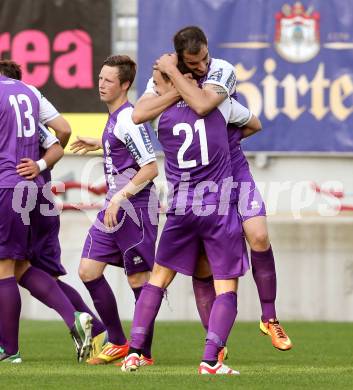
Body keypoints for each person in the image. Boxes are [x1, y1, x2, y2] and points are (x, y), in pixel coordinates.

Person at [132, 26, 292, 351]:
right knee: (203, 265)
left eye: (204, 57)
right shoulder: (164, 77)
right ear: (181, 59)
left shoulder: (221, 70)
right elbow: (139, 113)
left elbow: (209, 107)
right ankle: (216, 344)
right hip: (199, 188)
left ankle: (269, 318)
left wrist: (224, 141)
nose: (202, 66)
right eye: (194, 62)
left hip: (234, 172)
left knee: (259, 235)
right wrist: (178, 81)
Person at [122, 68, 253, 375]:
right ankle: (210, 360)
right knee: (225, 286)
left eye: (157, 82)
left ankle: (134, 352)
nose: (153, 87)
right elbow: (254, 124)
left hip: (181, 208)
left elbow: (138, 112)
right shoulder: (219, 103)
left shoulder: (158, 112)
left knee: (158, 279)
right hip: (217, 208)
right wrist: (225, 140)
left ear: (171, 81)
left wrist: (168, 91)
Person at [0, 61, 95, 363]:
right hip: (32, 189)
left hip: (6, 188)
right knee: (22, 269)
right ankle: (79, 320)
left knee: (7, 269)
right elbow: (63, 131)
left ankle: (10, 350)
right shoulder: (28, 92)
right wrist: (39, 166)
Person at [70, 55, 158, 366]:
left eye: (108, 80)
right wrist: (100, 142)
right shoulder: (115, 118)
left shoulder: (129, 118)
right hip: (115, 204)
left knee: (139, 279)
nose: (101, 84)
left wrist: (120, 196)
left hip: (135, 206)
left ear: (125, 85)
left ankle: (142, 352)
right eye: (100, 78)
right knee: (88, 270)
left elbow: (150, 168)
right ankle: (119, 341)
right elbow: (122, 147)